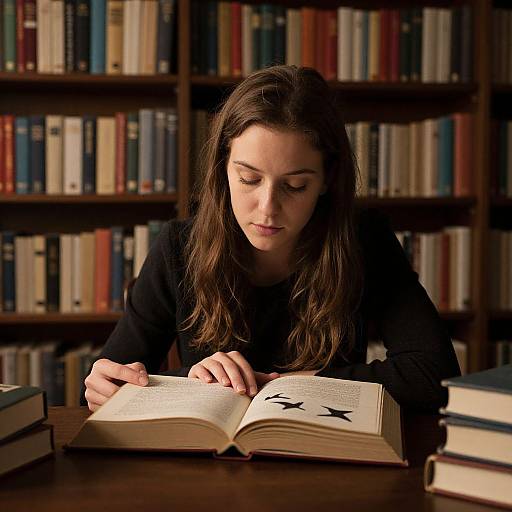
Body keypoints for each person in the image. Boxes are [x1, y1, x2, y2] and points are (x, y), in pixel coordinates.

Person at [83, 65, 460, 413]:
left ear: (327, 180)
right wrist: (176, 381)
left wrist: (296, 385)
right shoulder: (179, 248)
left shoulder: (365, 241)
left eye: (295, 186)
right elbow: (114, 380)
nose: (267, 208)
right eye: (248, 179)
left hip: (328, 459)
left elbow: (434, 375)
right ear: (223, 166)